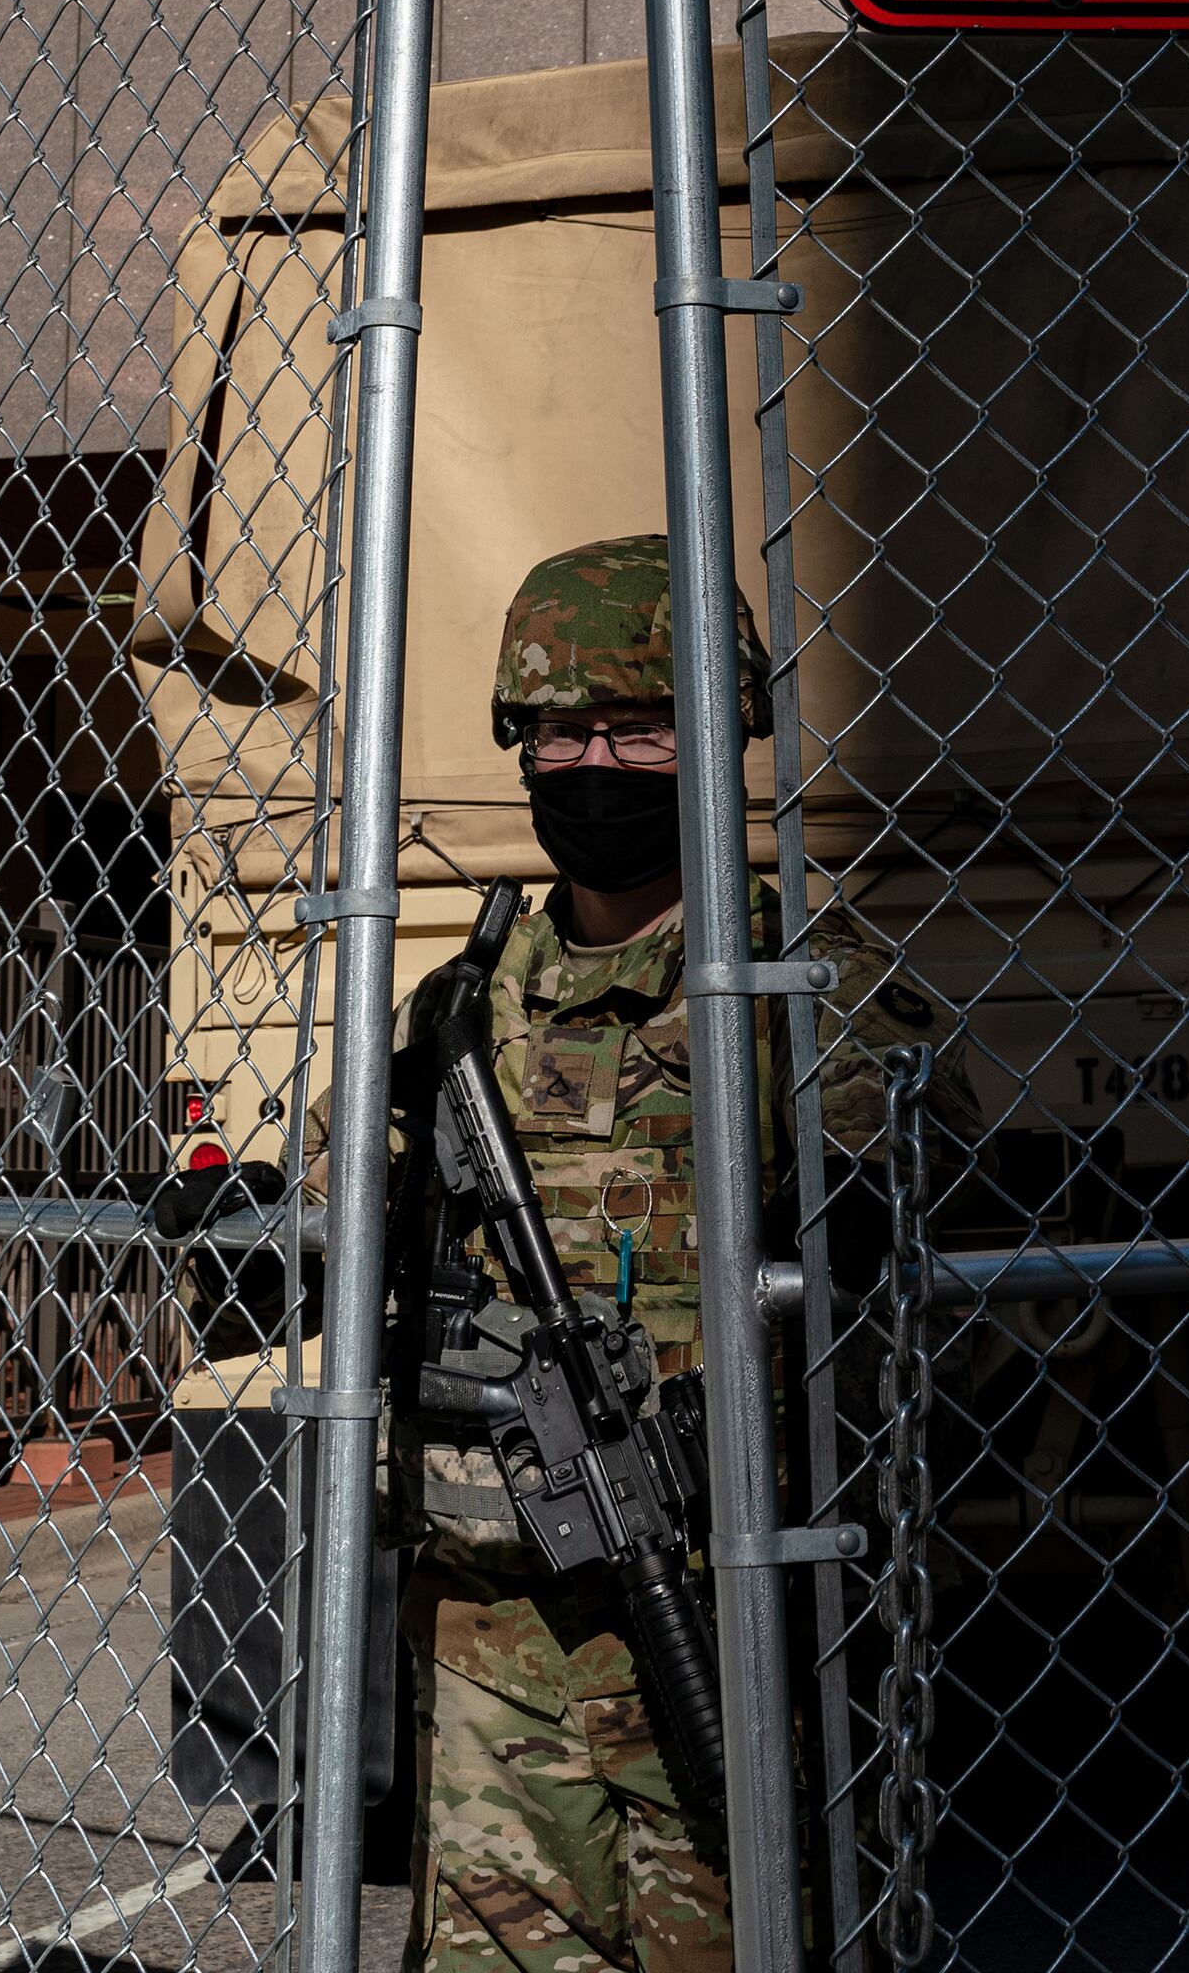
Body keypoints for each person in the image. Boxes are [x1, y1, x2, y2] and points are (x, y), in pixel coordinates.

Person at [398, 535, 977, 1973]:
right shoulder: (456, 1017)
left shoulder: (799, 991)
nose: (595, 761)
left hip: (723, 1624)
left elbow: (919, 1198)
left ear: (722, 739)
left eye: (642, 726)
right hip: (492, 1653)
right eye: (563, 729)